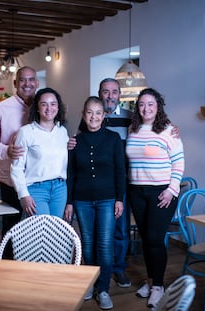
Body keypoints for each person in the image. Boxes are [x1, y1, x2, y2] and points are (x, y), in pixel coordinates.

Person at [64, 96, 126, 310]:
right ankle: (90, 283)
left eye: (98, 112)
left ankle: (104, 289)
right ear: (84, 115)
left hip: (108, 199)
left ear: (104, 115)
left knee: (105, 245)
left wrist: (120, 199)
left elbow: (120, 171)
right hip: (82, 201)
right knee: (88, 244)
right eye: (89, 112)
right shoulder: (75, 141)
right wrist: (70, 202)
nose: (94, 116)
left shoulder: (113, 139)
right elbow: (70, 174)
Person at [125, 88, 185, 308]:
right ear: (137, 107)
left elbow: (178, 162)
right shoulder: (133, 128)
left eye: (150, 104)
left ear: (158, 106)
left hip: (161, 192)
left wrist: (172, 190)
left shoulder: (169, 131)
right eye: (141, 104)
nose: (146, 108)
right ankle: (151, 282)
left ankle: (159, 286)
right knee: (146, 239)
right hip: (136, 191)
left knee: (155, 239)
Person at [0, 66, 39, 259]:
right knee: (11, 228)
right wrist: (6, 150)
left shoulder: (45, 106)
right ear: (15, 83)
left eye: (31, 80)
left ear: (37, 83)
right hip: (10, 180)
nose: (27, 84)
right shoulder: (1, 109)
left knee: (36, 229)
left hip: (38, 181)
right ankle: (7, 267)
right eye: (23, 80)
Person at [11, 87, 68, 218]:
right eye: (44, 104)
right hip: (36, 190)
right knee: (42, 231)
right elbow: (16, 167)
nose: (49, 108)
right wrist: (23, 195)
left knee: (55, 232)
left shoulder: (62, 132)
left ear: (58, 107)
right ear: (37, 107)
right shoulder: (25, 132)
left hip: (60, 189)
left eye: (53, 104)